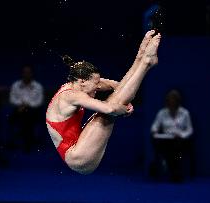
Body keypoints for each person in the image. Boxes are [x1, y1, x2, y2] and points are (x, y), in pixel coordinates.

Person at [46, 30, 161, 174]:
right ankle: (146, 63)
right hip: (78, 157)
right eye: (95, 86)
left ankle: (143, 60)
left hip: (79, 147)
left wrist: (138, 58)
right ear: (82, 82)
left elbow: (117, 86)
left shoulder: (78, 84)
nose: (97, 88)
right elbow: (110, 109)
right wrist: (123, 109)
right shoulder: (71, 96)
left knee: (115, 99)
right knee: (106, 112)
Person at [150, 89, 193, 182]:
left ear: (178, 101)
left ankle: (173, 170)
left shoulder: (185, 113)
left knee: (176, 149)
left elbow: (189, 130)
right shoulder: (162, 113)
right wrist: (154, 131)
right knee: (166, 147)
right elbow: (155, 126)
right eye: (170, 100)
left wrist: (182, 135)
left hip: (180, 141)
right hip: (166, 140)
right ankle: (172, 170)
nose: (172, 102)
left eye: (174, 100)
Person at [9, 65, 44, 152]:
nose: (26, 74)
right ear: (22, 74)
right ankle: (28, 142)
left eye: (28, 72)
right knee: (24, 117)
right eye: (25, 72)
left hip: (33, 111)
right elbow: (12, 99)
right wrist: (22, 105)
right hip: (18, 110)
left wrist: (26, 105)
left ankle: (25, 142)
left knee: (27, 116)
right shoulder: (15, 85)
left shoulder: (38, 86)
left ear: (32, 74)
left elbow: (39, 101)